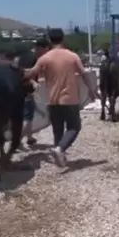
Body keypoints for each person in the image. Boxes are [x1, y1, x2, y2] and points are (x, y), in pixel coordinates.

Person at [25, 29, 97, 167]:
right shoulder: (72, 56)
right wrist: (91, 90)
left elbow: (30, 73)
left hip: (52, 100)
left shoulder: (44, 58)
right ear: (63, 39)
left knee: (57, 130)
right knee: (74, 127)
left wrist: (15, 70)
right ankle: (60, 149)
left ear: (50, 40)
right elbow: (84, 74)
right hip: (69, 99)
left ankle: (59, 157)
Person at [15, 38, 50, 146]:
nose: (47, 52)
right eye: (46, 49)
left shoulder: (25, 56)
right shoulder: (32, 58)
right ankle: (15, 142)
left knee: (29, 115)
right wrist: (32, 82)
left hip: (20, 91)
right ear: (41, 48)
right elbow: (23, 73)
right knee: (27, 118)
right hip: (26, 92)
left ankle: (29, 138)